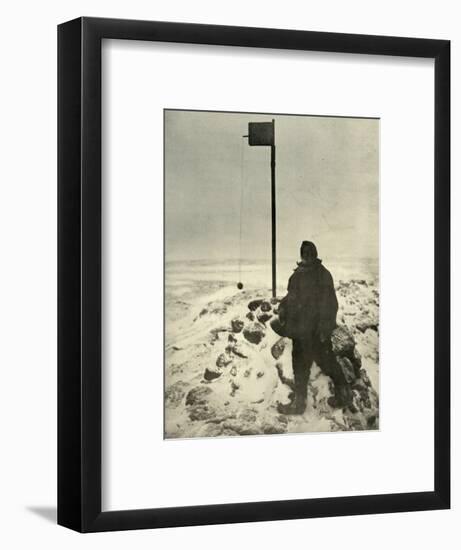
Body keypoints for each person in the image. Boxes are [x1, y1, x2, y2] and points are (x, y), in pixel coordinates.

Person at [275, 241, 352, 415]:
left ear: (315, 254)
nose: (308, 255)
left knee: (329, 363)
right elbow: (291, 296)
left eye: (311, 252)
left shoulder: (323, 275)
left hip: (317, 333)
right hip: (299, 332)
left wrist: (325, 329)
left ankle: (344, 394)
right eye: (305, 252)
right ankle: (299, 403)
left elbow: (331, 304)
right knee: (299, 367)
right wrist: (282, 306)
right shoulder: (297, 275)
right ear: (301, 254)